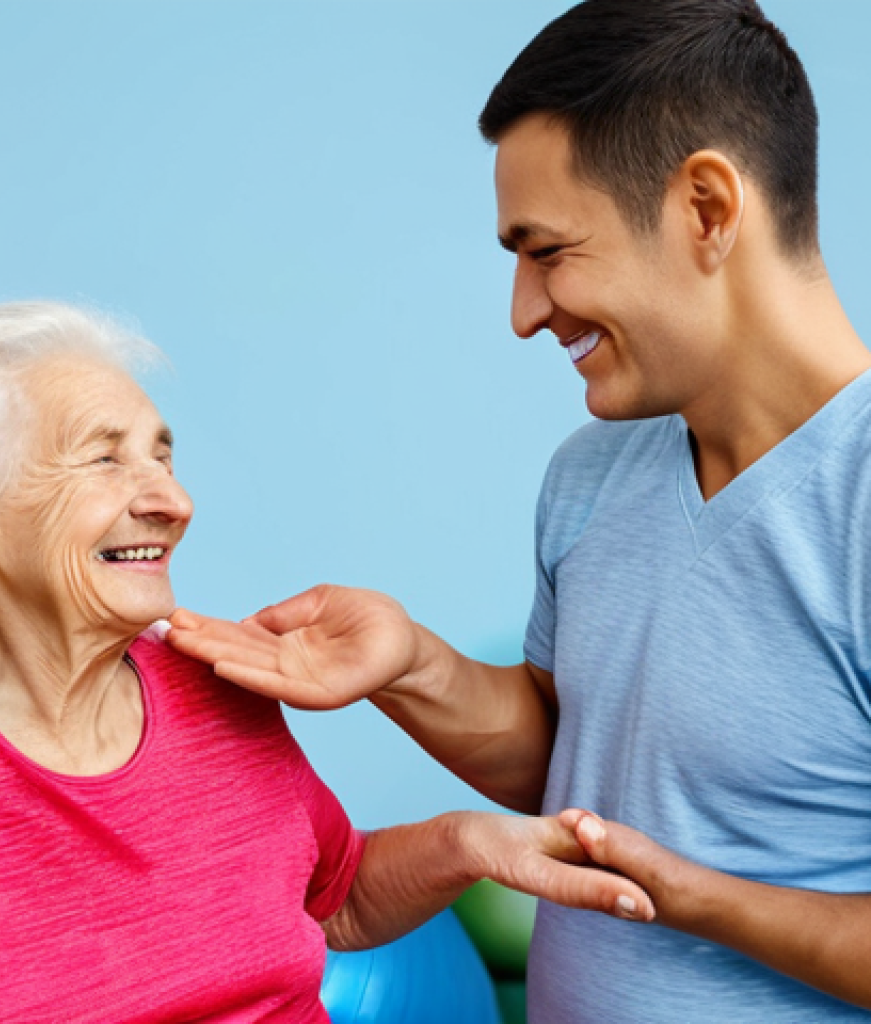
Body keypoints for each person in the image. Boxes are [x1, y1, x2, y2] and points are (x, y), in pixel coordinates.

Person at [165, 1, 871, 1020]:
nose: (523, 312)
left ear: (707, 209)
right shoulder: (590, 473)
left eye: (545, 251)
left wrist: (684, 897)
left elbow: (651, 851)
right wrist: (409, 665)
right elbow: (575, 754)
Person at [0, 301, 649, 1023]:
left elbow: (334, 896)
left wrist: (470, 844)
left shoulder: (212, 689)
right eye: (104, 460)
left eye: (163, 457)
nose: (172, 500)